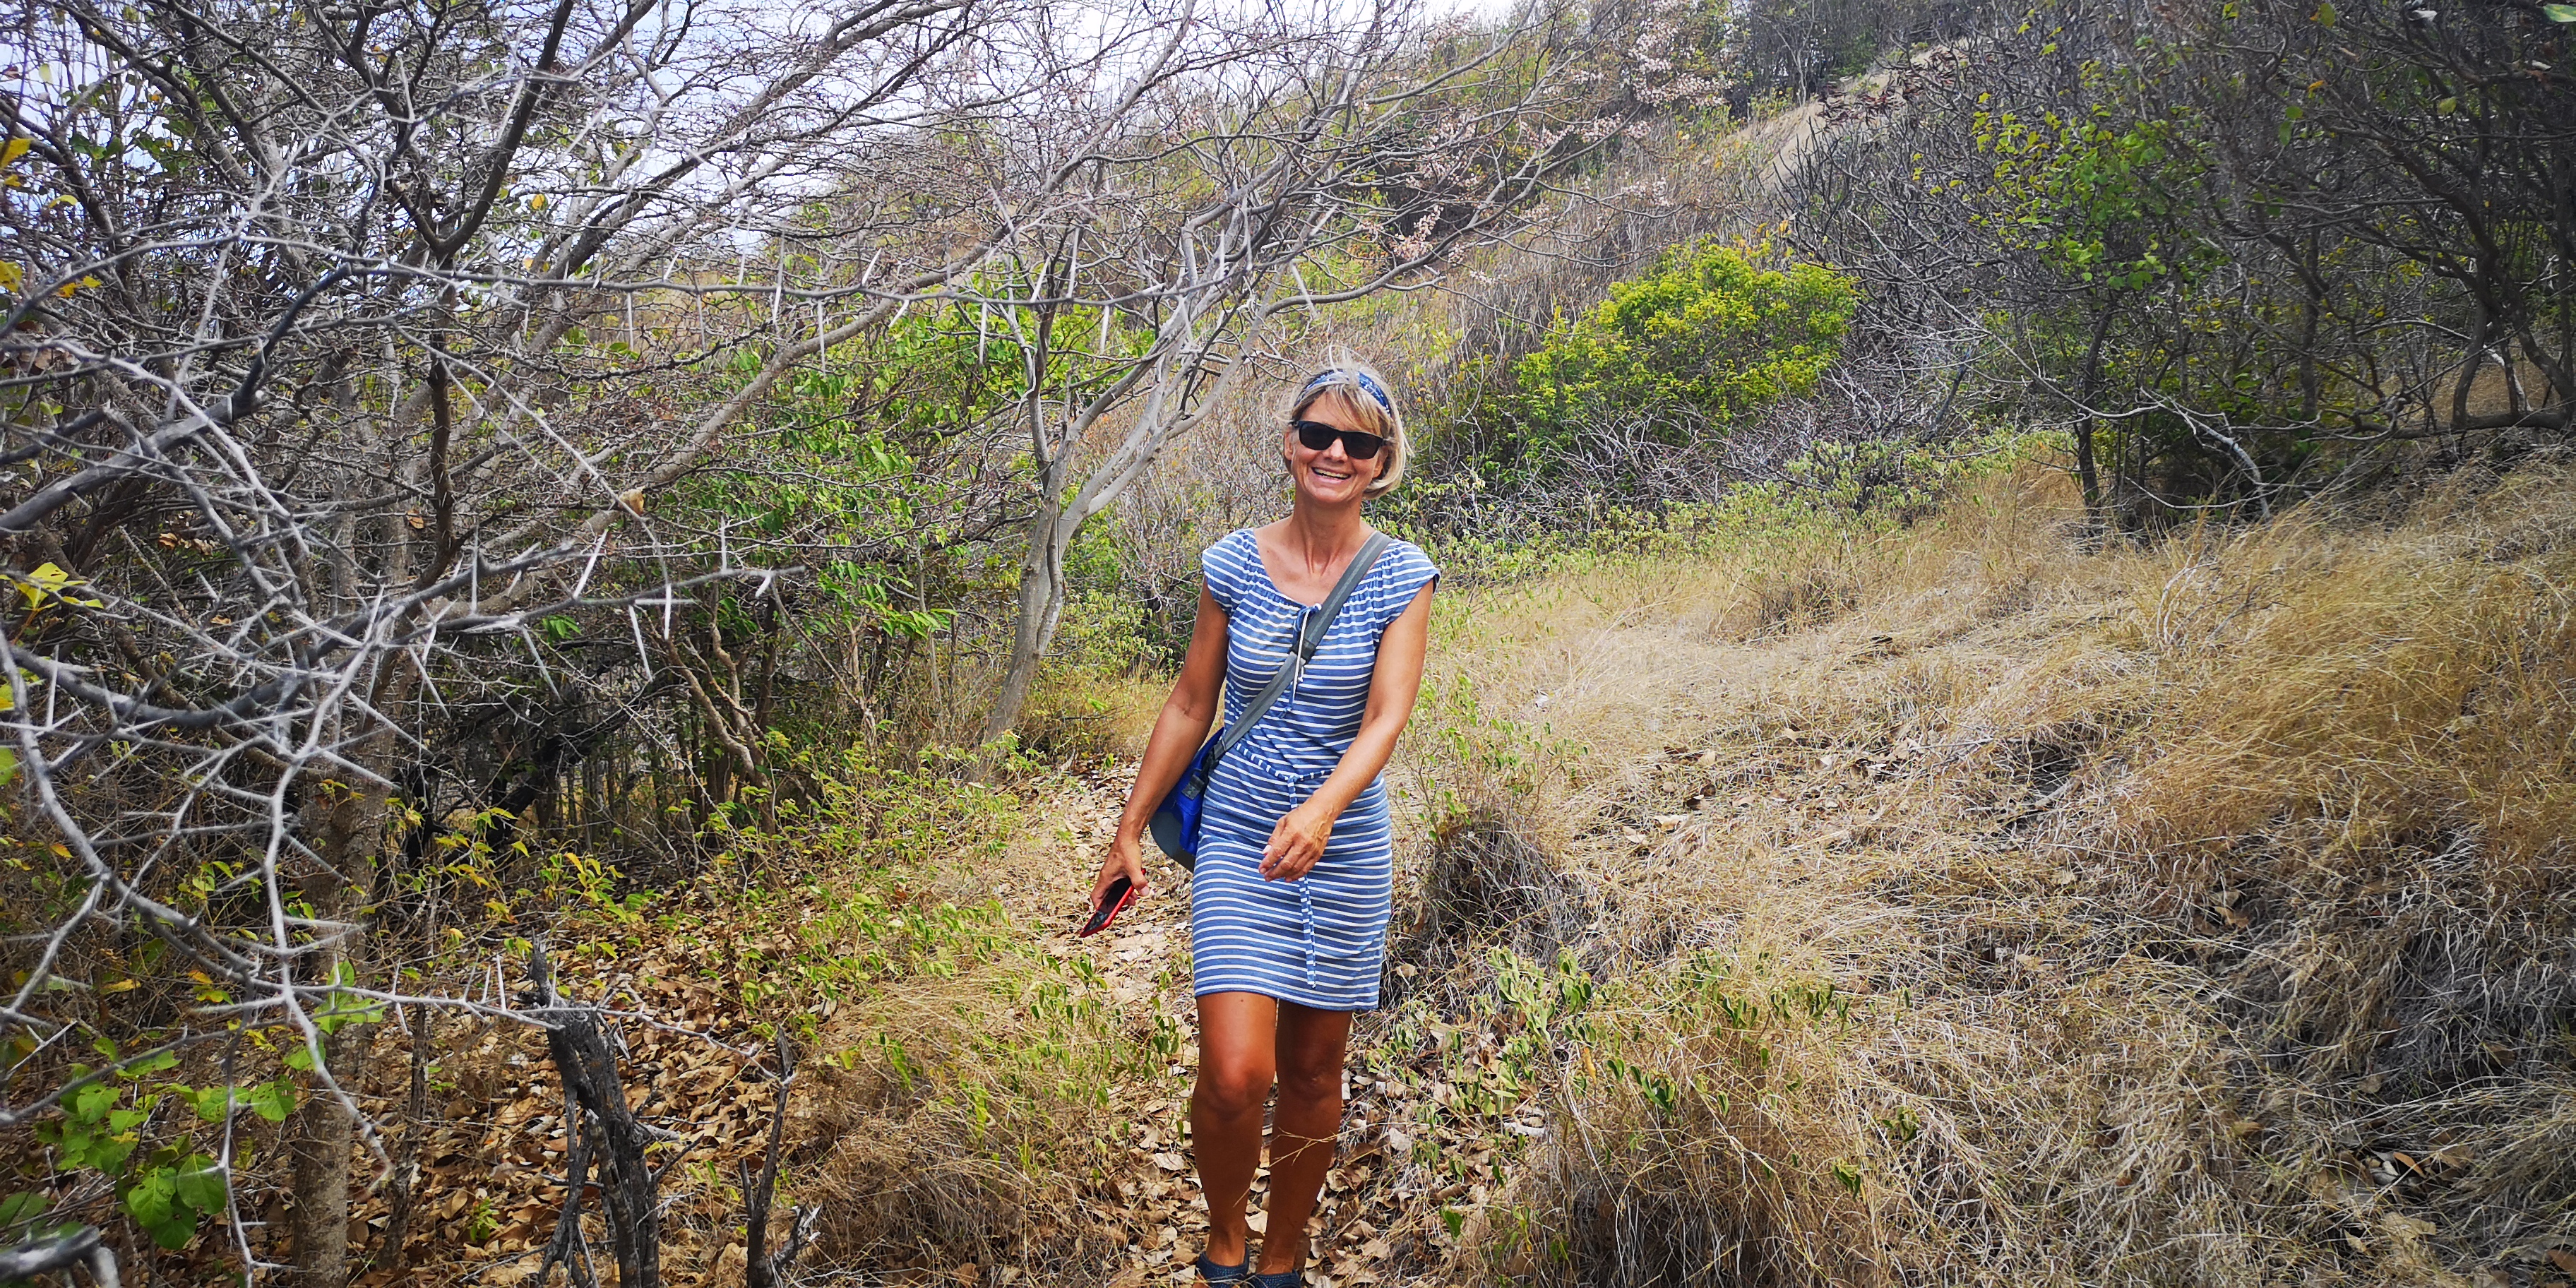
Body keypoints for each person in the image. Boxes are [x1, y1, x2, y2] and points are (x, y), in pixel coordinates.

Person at [1089, 362, 1440, 1287]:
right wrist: (1129, 830)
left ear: (1382, 462)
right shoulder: (1234, 564)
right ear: (1289, 444)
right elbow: (1189, 702)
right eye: (1318, 434)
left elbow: (1386, 719)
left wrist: (1323, 809)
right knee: (1236, 1074)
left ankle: (1281, 1257)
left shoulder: (1402, 575)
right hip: (1242, 839)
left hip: (1343, 846)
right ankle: (1225, 1240)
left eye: (1358, 442)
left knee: (1316, 1073)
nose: (1335, 454)